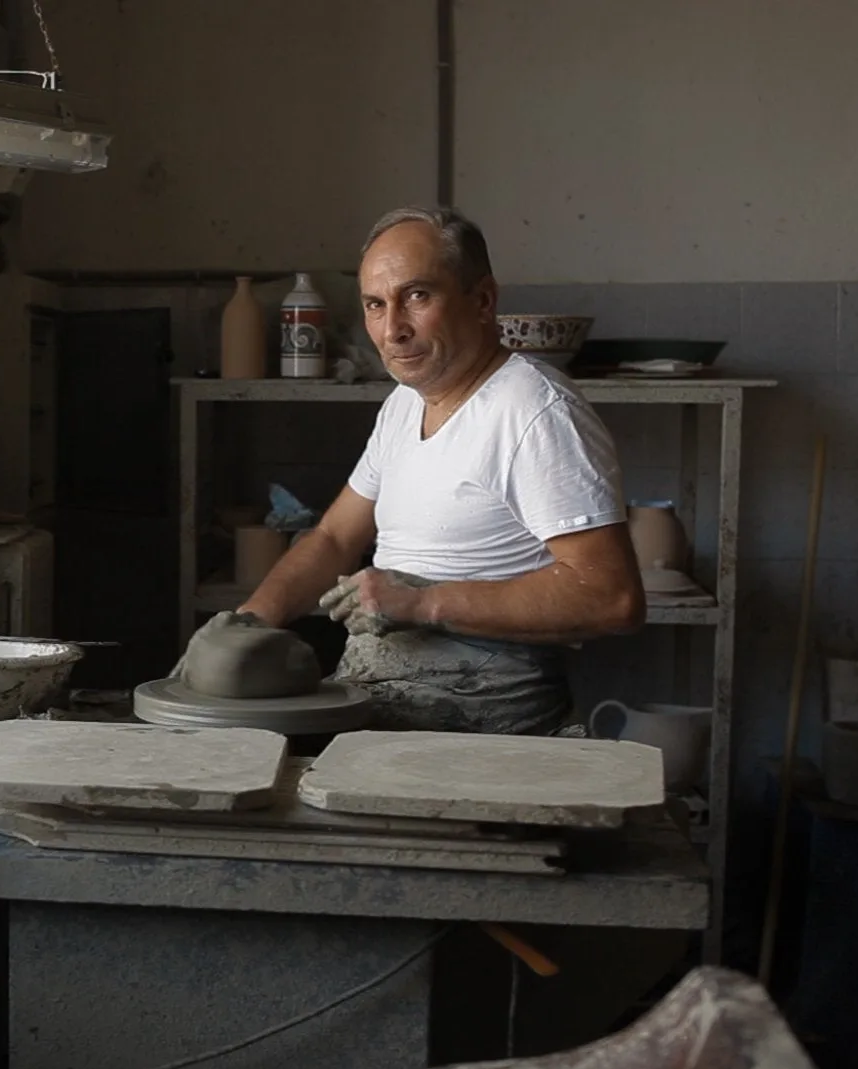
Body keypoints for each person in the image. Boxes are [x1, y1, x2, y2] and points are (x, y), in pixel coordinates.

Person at [196, 206, 645, 735]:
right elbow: (336, 537)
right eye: (374, 305)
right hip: (377, 703)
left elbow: (611, 597)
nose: (393, 329)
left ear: (482, 301)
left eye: (417, 296)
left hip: (489, 724)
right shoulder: (405, 402)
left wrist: (422, 602)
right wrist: (248, 622)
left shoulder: (534, 410)